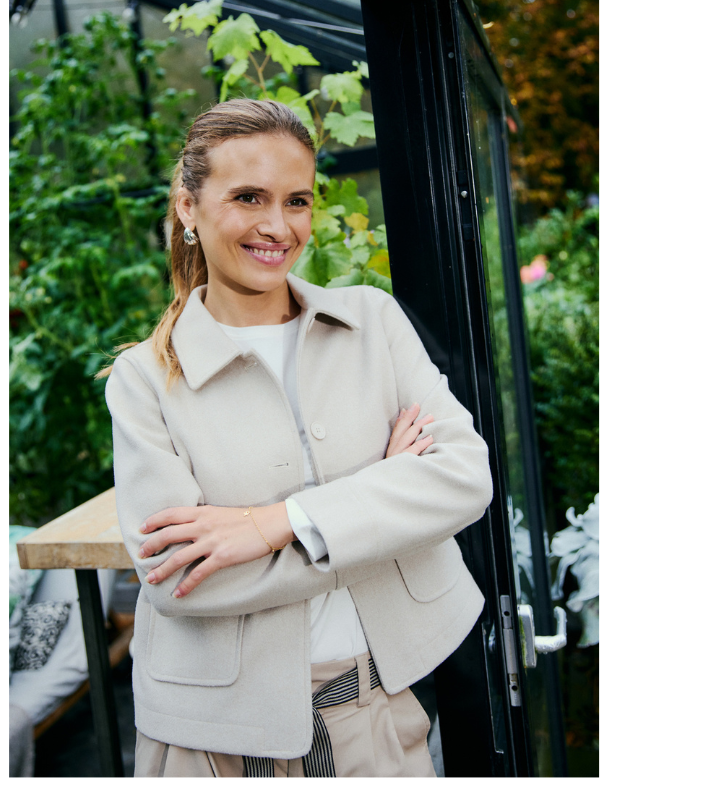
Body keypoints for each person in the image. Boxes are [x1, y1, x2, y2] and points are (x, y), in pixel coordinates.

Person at [103, 99, 493, 777]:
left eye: (297, 201)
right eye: (248, 197)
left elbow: (464, 477)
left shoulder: (372, 321)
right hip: (214, 738)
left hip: (375, 710)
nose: (278, 227)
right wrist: (383, 505)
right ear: (188, 206)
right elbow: (181, 579)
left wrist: (273, 524)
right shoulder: (144, 379)